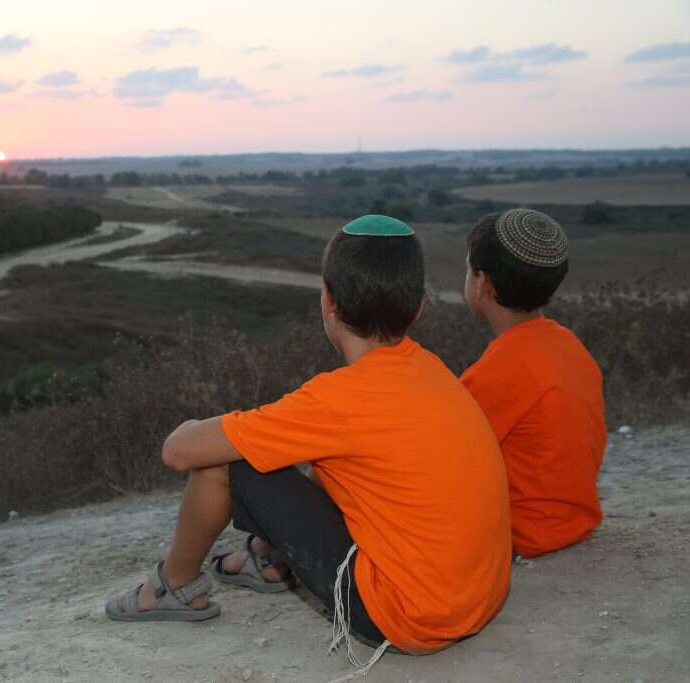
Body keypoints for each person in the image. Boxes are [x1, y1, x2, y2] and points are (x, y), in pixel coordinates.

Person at [105, 215, 512, 678]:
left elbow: (179, 452)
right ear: (418, 307)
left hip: (408, 617)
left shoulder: (336, 399)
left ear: (328, 302)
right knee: (335, 459)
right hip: (479, 598)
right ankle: (269, 559)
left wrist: (197, 424)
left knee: (226, 465)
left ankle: (173, 586)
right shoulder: (431, 370)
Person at [460, 208, 607, 559]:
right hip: (574, 522)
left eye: (468, 268)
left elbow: (446, 455)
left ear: (484, 284)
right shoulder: (570, 346)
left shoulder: (500, 370)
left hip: (526, 535)